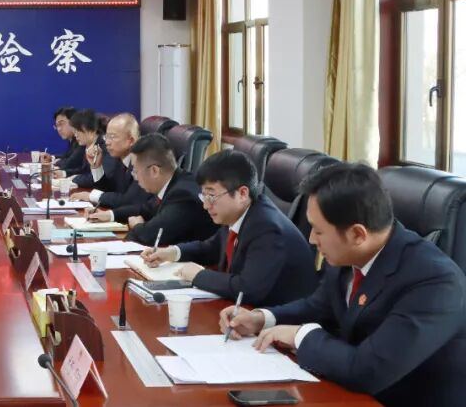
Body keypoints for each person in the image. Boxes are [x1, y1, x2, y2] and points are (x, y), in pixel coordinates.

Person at [220, 163, 466, 407]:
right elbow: (318, 307)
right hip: (348, 393)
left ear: (357, 234)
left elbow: (367, 370)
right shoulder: (349, 254)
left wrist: (300, 336)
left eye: (318, 231)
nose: (311, 239)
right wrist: (262, 319)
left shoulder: (436, 282)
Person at [141, 150, 317, 306]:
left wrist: (199, 275)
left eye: (211, 196)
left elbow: (247, 289)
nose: (206, 205)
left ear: (242, 194)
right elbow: (211, 248)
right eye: (204, 196)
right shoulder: (239, 214)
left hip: (279, 323)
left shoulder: (268, 228)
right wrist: (172, 253)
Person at [124, 133, 217, 246]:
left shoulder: (183, 195)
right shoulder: (173, 183)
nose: (135, 177)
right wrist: (111, 214)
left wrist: (137, 226)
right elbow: (144, 210)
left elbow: (151, 235)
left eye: (136, 171)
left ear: (154, 171)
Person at [71, 113, 152, 223]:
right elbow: (109, 189)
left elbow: (128, 201)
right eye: (107, 137)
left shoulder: (143, 161)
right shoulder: (120, 159)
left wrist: (91, 196)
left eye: (112, 137)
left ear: (131, 140)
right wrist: (96, 167)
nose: (107, 142)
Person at [67, 108, 115, 189]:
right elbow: (83, 170)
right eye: (74, 132)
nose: (75, 135)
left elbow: (100, 177)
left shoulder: (105, 147)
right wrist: (65, 174)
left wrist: (74, 179)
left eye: (77, 131)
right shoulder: (88, 145)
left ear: (91, 130)